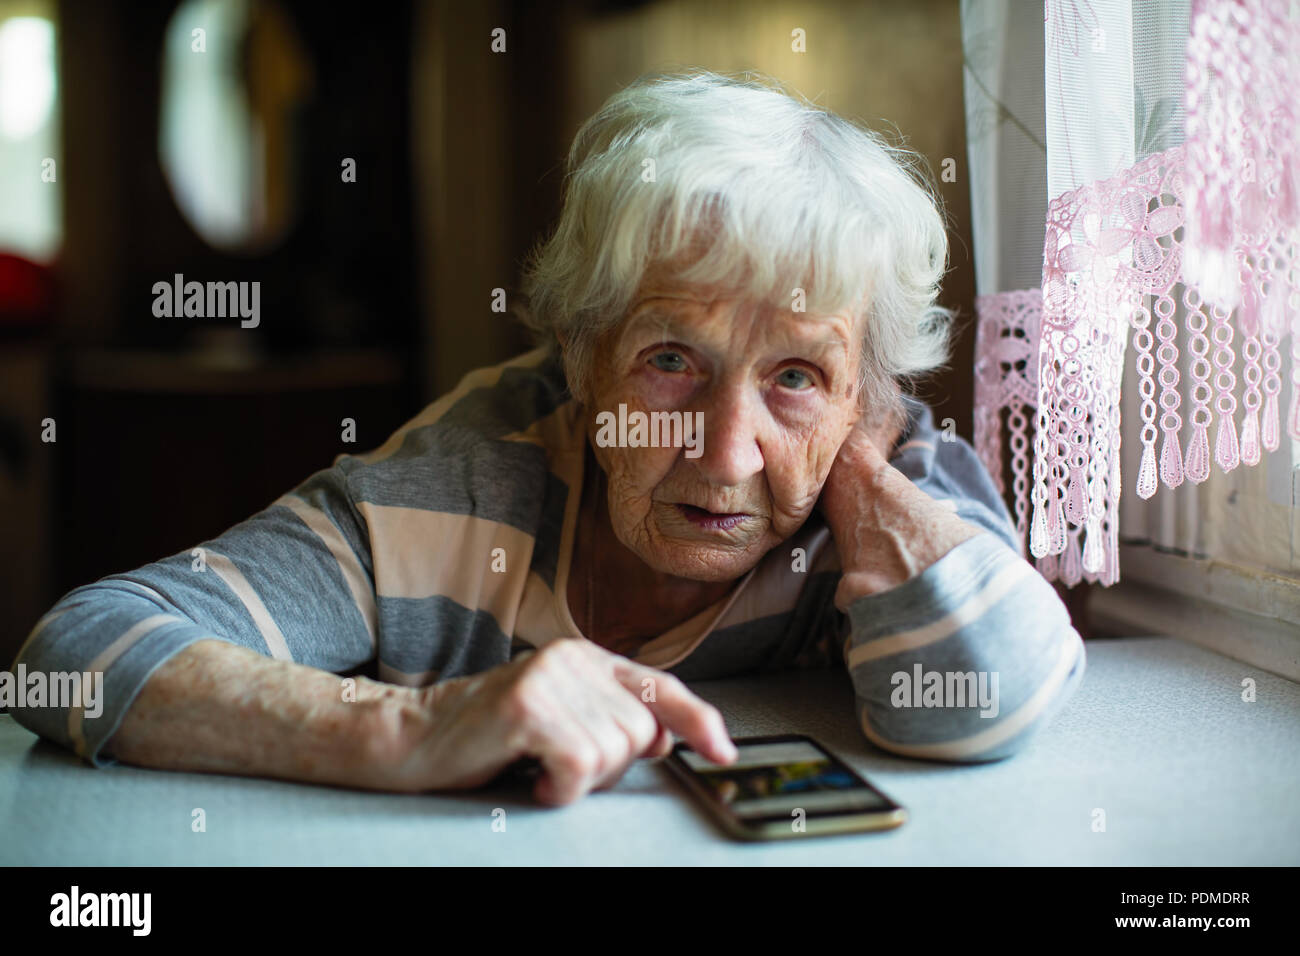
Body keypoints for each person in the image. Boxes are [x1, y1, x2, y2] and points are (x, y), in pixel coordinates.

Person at [8, 69, 1085, 806]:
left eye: (795, 372)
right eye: (671, 359)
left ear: (869, 390)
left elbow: (993, 692)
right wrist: (412, 729)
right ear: (579, 351)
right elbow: (72, 657)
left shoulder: (887, 478)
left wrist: (846, 445)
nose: (726, 454)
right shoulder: (446, 494)